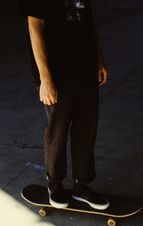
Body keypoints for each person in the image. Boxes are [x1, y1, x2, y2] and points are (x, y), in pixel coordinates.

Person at [18, 0, 110, 210]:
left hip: (85, 69)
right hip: (57, 74)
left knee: (86, 128)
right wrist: (45, 78)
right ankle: (55, 184)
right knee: (58, 130)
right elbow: (35, 27)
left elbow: (88, 22)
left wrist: (98, 58)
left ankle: (81, 185)